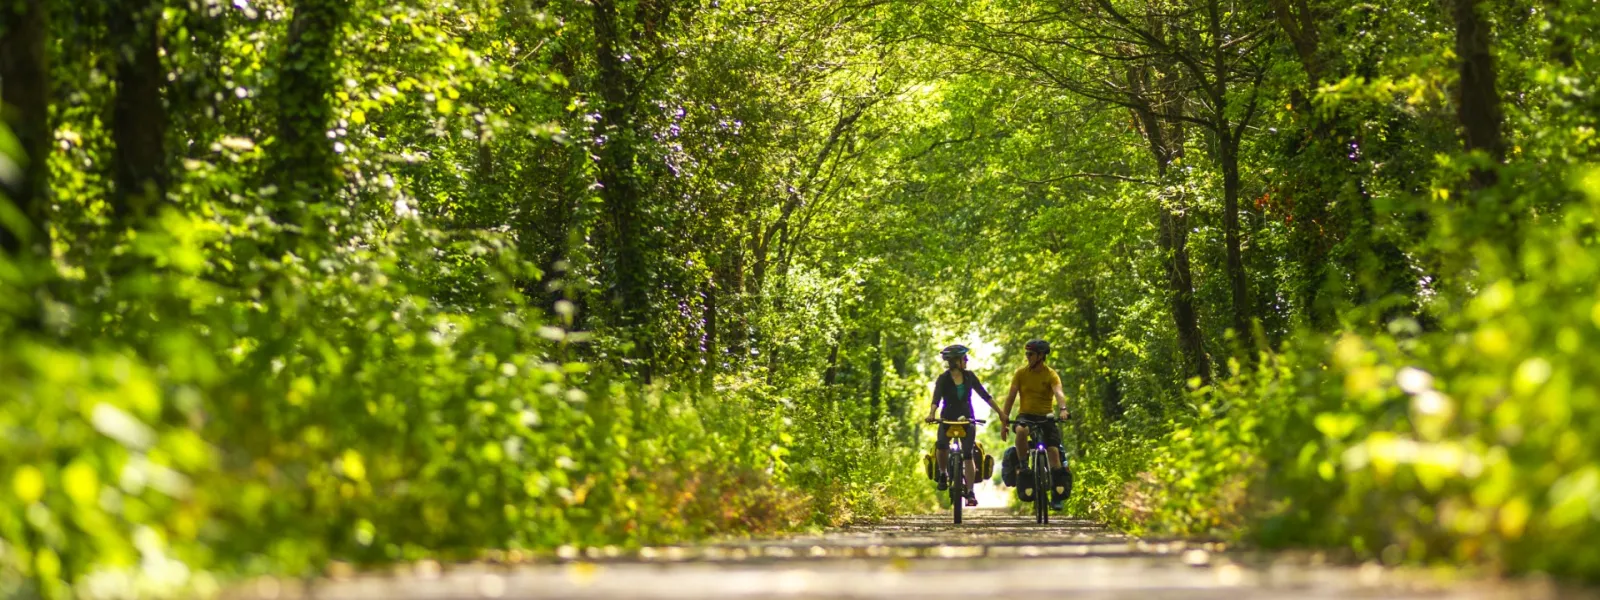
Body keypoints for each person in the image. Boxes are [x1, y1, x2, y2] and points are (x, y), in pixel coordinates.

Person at [924, 344, 1007, 507]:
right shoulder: (943, 378)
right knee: (941, 445)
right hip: (947, 418)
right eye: (964, 358)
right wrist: (932, 414)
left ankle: (970, 492)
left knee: (968, 454)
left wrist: (1000, 413)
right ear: (955, 361)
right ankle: (942, 474)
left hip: (967, 418)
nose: (966, 360)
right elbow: (936, 398)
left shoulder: (969, 377)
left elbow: (985, 395)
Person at [1000, 339, 1072, 511]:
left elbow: (1058, 392)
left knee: (1054, 451)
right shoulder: (1020, 373)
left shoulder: (1051, 374)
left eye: (1030, 354)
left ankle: (1056, 494)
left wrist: (1063, 409)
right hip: (1026, 415)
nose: (1027, 357)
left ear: (1040, 356)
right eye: (1026, 354)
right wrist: (1005, 420)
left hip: (1046, 416)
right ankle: (1024, 466)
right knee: (1021, 430)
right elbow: (1011, 397)